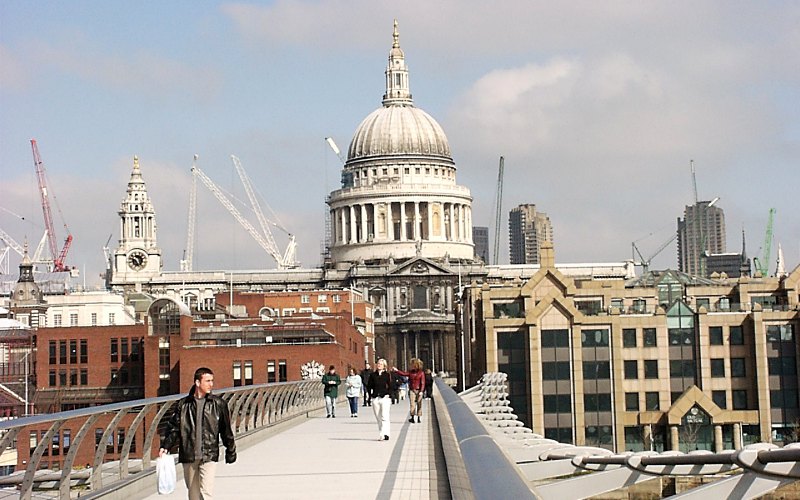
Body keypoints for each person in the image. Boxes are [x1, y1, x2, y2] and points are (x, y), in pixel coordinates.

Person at [160, 367, 236, 500]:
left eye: (212, 381)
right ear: (197, 382)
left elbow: (226, 430)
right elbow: (174, 428)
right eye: (207, 381)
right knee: (193, 495)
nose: (211, 384)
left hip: (209, 455)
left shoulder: (218, 404)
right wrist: (165, 446)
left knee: (206, 492)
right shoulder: (183, 405)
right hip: (189, 455)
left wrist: (231, 451)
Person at [393, 358, 426, 423]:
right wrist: (397, 371)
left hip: (419, 390)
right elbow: (403, 374)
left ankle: (419, 417)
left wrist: (421, 391)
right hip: (412, 390)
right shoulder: (411, 372)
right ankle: (413, 417)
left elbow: (422, 382)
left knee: (419, 404)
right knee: (412, 404)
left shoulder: (421, 373)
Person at [367, 358, 393, 441]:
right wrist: (370, 395)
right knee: (378, 417)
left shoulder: (387, 375)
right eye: (378, 363)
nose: (379, 365)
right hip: (375, 398)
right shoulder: (373, 375)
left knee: (384, 416)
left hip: (384, 398)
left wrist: (389, 394)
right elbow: (369, 386)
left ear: (384, 366)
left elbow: (391, 386)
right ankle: (382, 432)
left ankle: (385, 434)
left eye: (381, 364)